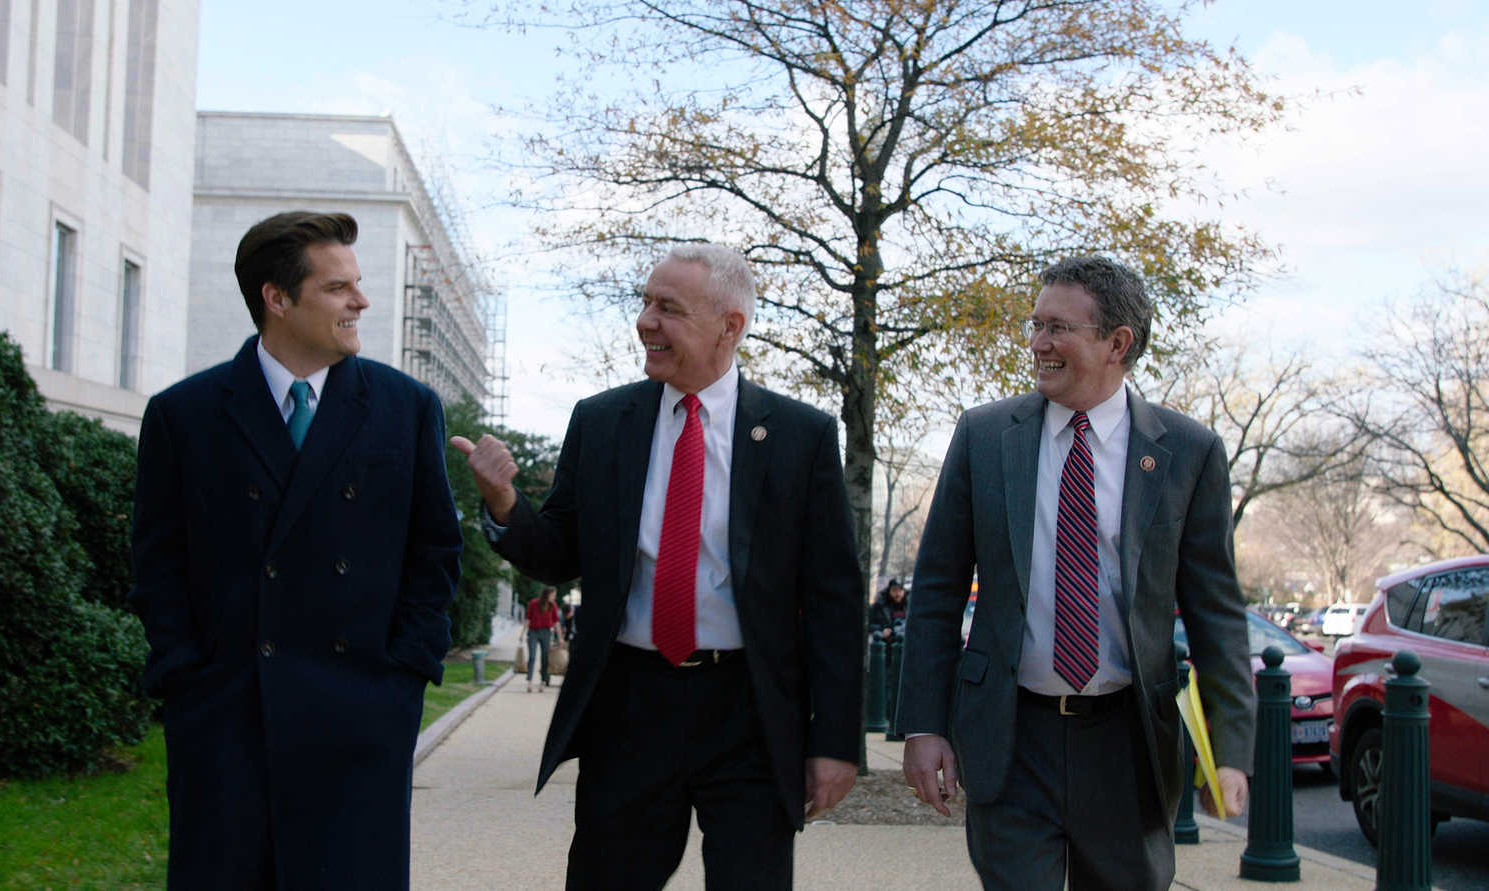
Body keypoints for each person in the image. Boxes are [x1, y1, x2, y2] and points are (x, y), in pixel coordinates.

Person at [452, 244, 864, 890]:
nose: (645, 321)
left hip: (750, 710)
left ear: (731, 325)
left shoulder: (799, 434)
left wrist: (836, 740)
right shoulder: (602, 421)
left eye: (668, 308)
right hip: (631, 706)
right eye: (643, 302)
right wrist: (505, 502)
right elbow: (560, 551)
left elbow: (836, 600)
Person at [897, 255, 1255, 891]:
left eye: (1058, 328)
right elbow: (936, 592)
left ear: (1118, 343)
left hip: (1128, 744)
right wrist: (924, 726)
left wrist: (1227, 753)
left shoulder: (1188, 451)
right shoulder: (983, 436)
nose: (1038, 344)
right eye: (1036, 325)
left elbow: (1216, 612)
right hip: (1011, 737)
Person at [129, 211, 463, 891]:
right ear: (276, 298)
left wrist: (403, 673)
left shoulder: (407, 407)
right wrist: (187, 678)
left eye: (358, 284)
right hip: (227, 716)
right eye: (339, 287)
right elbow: (156, 564)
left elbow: (434, 552)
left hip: (361, 714)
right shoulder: (183, 414)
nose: (361, 301)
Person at [525, 587, 563, 691]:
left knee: (545, 657)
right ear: (547, 595)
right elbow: (528, 618)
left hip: (546, 632)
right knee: (532, 656)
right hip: (533, 632)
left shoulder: (553, 606)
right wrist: (522, 633)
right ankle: (530, 681)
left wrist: (560, 637)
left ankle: (543, 681)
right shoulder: (534, 603)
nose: (554, 597)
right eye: (553, 595)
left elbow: (556, 622)